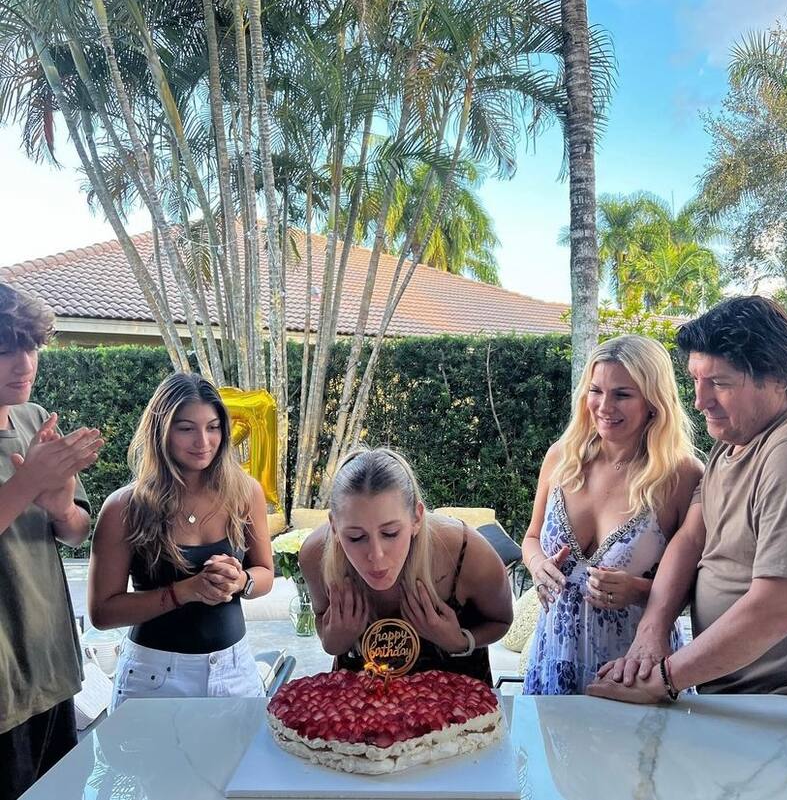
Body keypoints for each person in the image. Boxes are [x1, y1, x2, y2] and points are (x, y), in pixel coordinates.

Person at [589, 297, 787, 703]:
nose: (701, 401)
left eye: (719, 383)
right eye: (696, 381)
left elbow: (782, 604)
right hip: (734, 694)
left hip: (780, 705)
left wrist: (664, 679)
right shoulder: (735, 441)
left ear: (776, 378)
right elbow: (690, 538)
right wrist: (651, 634)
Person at [521, 335, 703, 694]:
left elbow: (697, 586)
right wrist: (538, 564)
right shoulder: (562, 457)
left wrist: (638, 591)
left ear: (653, 401)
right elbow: (530, 539)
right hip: (553, 660)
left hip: (634, 671)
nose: (604, 406)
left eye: (622, 394)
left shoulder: (682, 476)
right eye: (595, 391)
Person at [89, 372, 273, 709]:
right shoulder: (124, 507)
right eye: (186, 428)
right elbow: (101, 612)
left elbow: (265, 574)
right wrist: (183, 592)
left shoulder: (245, 492)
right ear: (161, 432)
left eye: (213, 427)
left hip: (235, 671)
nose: (203, 441)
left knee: (241, 764)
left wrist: (240, 581)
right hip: (153, 676)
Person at [0, 283, 103, 800]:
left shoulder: (36, 421)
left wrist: (60, 504)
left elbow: (78, 532)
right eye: (5, 348)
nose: (24, 362)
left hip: (49, 668)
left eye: (32, 345)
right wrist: (24, 485)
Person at [299, 447, 513, 685]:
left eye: (390, 533)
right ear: (334, 526)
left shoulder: (468, 553)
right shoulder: (315, 555)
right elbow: (321, 616)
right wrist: (332, 641)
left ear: (417, 518)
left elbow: (501, 621)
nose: (376, 556)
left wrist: (460, 641)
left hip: (461, 710)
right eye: (356, 537)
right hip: (360, 710)